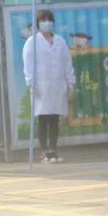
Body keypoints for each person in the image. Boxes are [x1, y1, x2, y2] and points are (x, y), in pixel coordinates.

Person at [23, 9, 74, 163]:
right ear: (38, 23)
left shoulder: (60, 41)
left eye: (49, 20)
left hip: (58, 85)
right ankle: (44, 152)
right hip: (41, 86)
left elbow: (67, 62)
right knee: (43, 118)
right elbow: (28, 63)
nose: (47, 23)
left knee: (54, 119)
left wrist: (70, 81)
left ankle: (53, 150)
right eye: (43, 20)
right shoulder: (32, 42)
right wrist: (31, 82)